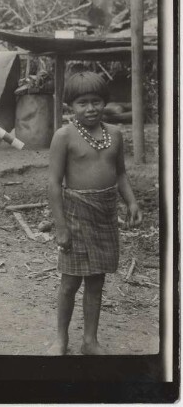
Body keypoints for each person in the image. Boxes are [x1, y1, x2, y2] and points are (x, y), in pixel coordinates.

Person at [47, 71, 142, 355]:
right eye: (83, 103)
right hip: (76, 214)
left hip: (105, 214)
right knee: (69, 282)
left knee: (96, 280)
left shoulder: (114, 134)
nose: (91, 108)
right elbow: (53, 183)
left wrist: (132, 202)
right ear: (69, 106)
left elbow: (121, 173)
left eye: (96, 101)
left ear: (105, 102)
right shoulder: (64, 136)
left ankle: (90, 340)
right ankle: (61, 339)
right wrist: (61, 226)